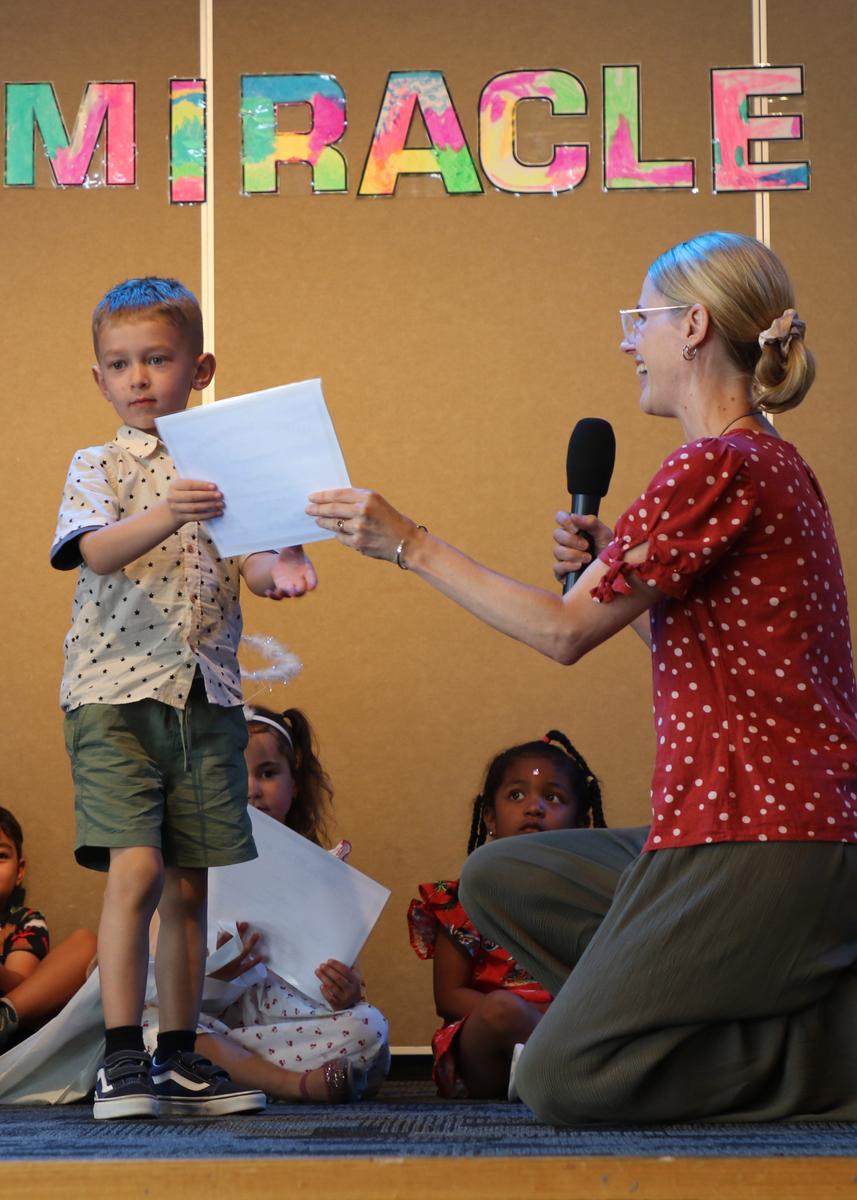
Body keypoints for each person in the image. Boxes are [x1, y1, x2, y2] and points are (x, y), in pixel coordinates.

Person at [306, 230, 857, 1123]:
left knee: (562, 1080)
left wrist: (408, 543)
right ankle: (727, 1010)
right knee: (500, 878)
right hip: (759, 828)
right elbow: (711, 650)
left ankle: (830, 1050)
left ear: (693, 327)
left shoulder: (716, 462)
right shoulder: (765, 462)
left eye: (639, 318)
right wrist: (623, 578)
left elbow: (562, 634)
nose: (624, 339)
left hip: (760, 834)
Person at [50, 277, 318, 1120]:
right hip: (114, 697)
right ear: (99, 378)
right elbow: (95, 551)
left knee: (190, 885)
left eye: (157, 359)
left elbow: (257, 563)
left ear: (199, 370)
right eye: (120, 364)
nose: (138, 378)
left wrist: (285, 565)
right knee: (136, 868)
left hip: (206, 701)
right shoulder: (98, 465)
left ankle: (177, 1053)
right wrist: (169, 509)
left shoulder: (229, 469)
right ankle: (119, 1056)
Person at [141, 704, 390, 1102]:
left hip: (283, 1025)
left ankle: (238, 1075)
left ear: (295, 785)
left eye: (268, 773)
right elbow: (153, 985)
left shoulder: (322, 871)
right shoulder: (186, 870)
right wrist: (217, 976)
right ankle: (292, 1085)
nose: (251, 789)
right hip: (211, 1023)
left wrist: (345, 992)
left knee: (369, 1027)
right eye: (233, 773)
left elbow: (349, 979)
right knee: (158, 1030)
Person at [408, 731, 611, 1099]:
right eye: (517, 795)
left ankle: (557, 1078)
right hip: (491, 1050)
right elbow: (448, 996)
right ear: (489, 816)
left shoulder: (591, 902)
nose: (534, 807)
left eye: (553, 797)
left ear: (581, 825)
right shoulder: (462, 900)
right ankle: (562, 1081)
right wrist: (520, 1016)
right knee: (502, 1010)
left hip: (568, 1032)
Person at [0, 808, 97, 1052]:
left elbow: (21, 986)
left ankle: (2, 1019)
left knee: (86, 943)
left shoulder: (24, 921)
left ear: (19, 871)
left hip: (13, 1034)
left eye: (0, 856)